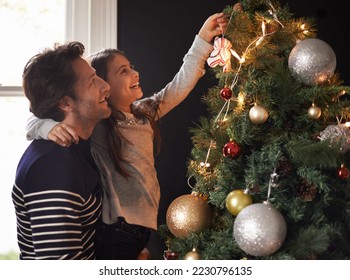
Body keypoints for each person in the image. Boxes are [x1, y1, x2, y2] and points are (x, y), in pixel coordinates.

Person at [26, 12, 228, 259]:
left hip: (144, 227)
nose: (135, 73)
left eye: (130, 67)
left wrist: (203, 39)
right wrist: (47, 127)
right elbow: (39, 114)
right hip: (118, 226)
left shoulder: (144, 114)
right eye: (122, 71)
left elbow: (180, 83)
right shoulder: (102, 122)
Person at [12, 41, 111, 260]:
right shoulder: (53, 166)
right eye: (93, 82)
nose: (106, 86)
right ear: (66, 103)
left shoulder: (76, 147)